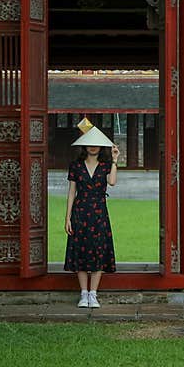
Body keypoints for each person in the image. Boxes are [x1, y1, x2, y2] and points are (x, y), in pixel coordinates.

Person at [64, 126, 119, 308]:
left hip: (99, 212)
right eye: (90, 144)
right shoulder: (76, 166)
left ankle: (93, 294)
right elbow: (72, 192)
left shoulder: (105, 166)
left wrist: (115, 160)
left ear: (101, 147)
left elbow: (112, 182)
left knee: (98, 250)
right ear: (84, 146)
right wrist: (67, 218)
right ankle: (83, 293)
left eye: (96, 144)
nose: (93, 147)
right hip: (80, 211)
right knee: (80, 250)